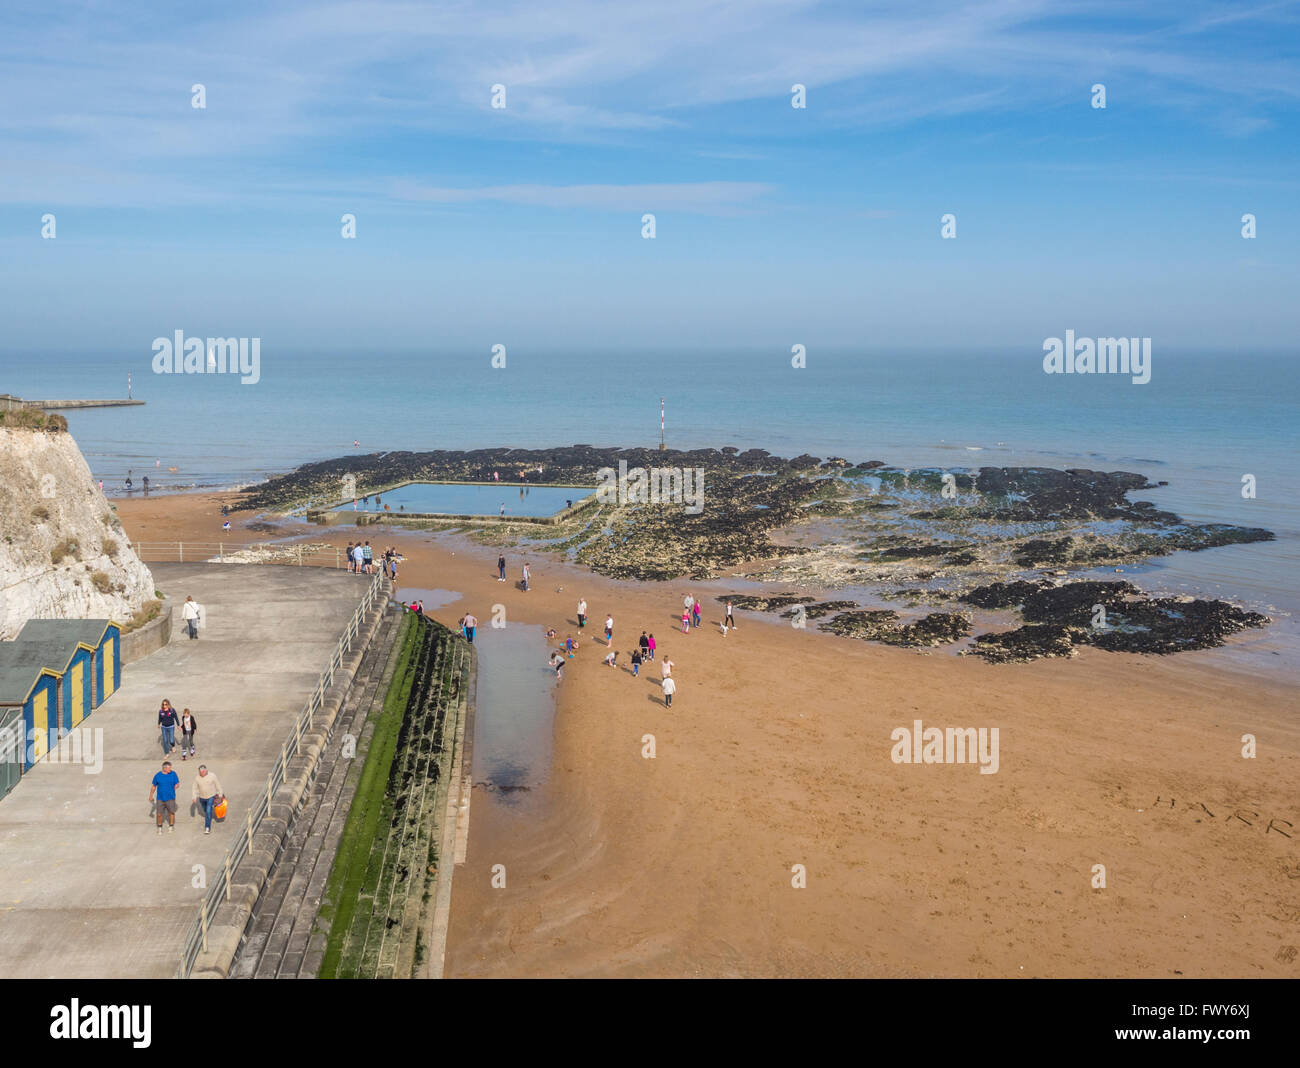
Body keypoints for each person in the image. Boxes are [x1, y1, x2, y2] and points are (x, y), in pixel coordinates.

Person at [192, 764, 226, 835]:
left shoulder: (212, 776)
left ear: (206, 770)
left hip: (211, 796)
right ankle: (209, 814)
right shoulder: (197, 778)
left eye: (203, 771)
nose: (202, 773)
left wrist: (220, 794)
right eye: (201, 772)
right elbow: (194, 788)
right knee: (205, 810)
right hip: (202, 797)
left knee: (208, 811)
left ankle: (207, 827)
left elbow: (218, 785)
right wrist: (194, 796)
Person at [150, 760, 180, 834]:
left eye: (170, 768)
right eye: (169, 768)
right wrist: (150, 796)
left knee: (171, 813)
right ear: (164, 768)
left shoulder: (173, 774)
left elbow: (177, 783)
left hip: (170, 798)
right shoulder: (158, 776)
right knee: (159, 814)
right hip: (160, 798)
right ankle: (159, 827)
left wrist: (176, 786)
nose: (170, 769)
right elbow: (154, 786)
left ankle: (171, 825)